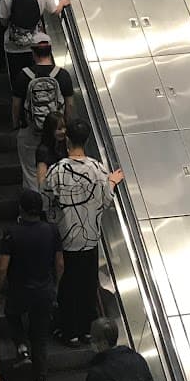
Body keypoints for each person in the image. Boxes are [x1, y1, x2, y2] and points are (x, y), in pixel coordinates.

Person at [44, 123, 123, 347]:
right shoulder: (98, 169)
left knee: (67, 286)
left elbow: (47, 204)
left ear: (67, 140)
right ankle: (88, 331)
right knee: (88, 285)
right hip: (91, 239)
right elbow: (107, 201)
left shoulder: (57, 170)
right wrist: (110, 182)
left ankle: (69, 332)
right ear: (87, 140)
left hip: (66, 239)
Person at [0, 189, 63, 381]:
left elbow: (2, 268)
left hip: (19, 290)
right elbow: (60, 263)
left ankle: (22, 347)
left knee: (12, 314)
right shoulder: (52, 231)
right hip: (44, 291)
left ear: (21, 210)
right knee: (40, 338)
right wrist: (56, 286)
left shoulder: (11, 232)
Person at [0, 0, 67, 104]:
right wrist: (62, 3)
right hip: (37, 42)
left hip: (13, 44)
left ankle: (21, 110)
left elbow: (3, 20)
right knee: (38, 77)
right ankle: (40, 105)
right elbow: (54, 10)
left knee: (18, 80)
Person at [14, 36, 74, 188]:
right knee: (58, 169)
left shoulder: (23, 75)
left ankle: (35, 205)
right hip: (55, 132)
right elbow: (70, 105)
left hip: (31, 130)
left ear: (32, 52)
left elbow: (16, 105)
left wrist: (16, 124)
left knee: (31, 171)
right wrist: (63, 127)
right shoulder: (63, 75)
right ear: (50, 50)